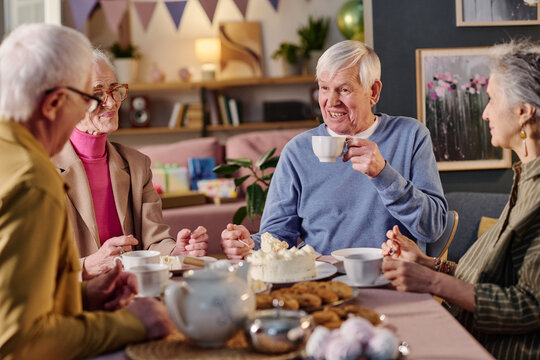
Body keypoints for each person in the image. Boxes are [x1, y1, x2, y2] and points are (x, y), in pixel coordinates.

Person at [0, 24, 172, 359]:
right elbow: (20, 342)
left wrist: (80, 297)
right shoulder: (33, 180)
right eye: (87, 99)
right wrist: (136, 324)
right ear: (53, 104)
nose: (102, 107)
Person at [381, 40, 540, 359]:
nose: (484, 113)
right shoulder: (525, 179)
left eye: (492, 100)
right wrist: (430, 264)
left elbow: (529, 306)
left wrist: (431, 282)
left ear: (523, 112)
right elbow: (496, 280)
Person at [221, 40, 447, 258]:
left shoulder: (411, 136)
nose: (330, 101)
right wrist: (251, 243)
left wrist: (384, 175)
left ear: (373, 91)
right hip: (322, 283)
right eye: (324, 88)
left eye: (344, 89)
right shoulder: (297, 151)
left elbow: (433, 228)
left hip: (393, 280)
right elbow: (278, 236)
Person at [52, 50, 208, 279]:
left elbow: (154, 240)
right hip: (76, 299)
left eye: (114, 90)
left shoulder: (137, 165)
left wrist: (176, 252)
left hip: (131, 291)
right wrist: (86, 266)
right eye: (98, 93)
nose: (113, 102)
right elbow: (30, 267)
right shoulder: (42, 170)